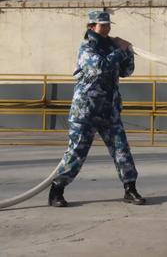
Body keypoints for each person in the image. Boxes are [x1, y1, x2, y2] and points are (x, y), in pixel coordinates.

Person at [48, 11, 146, 207]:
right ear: (92, 27)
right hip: (86, 111)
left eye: (108, 25)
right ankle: (56, 190)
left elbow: (126, 71)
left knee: (121, 149)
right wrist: (121, 50)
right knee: (77, 152)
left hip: (109, 109)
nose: (107, 28)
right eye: (103, 25)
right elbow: (100, 67)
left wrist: (128, 52)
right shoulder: (87, 48)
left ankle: (130, 189)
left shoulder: (111, 47)